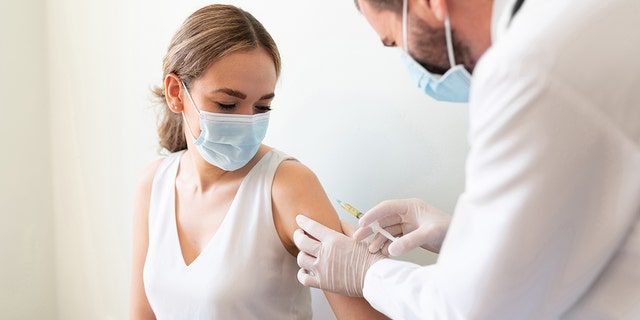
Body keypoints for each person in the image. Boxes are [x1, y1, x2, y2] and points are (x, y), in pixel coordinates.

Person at [294, 0, 640, 318]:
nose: (409, 62)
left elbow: (472, 311)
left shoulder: (525, 70)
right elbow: (581, 215)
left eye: (396, 42)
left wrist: (368, 273)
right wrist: (459, 234)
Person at [129, 4, 388, 319]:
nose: (246, 122)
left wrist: (377, 277)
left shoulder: (287, 185)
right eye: (227, 104)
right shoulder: (154, 184)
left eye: (262, 107)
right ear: (175, 93)